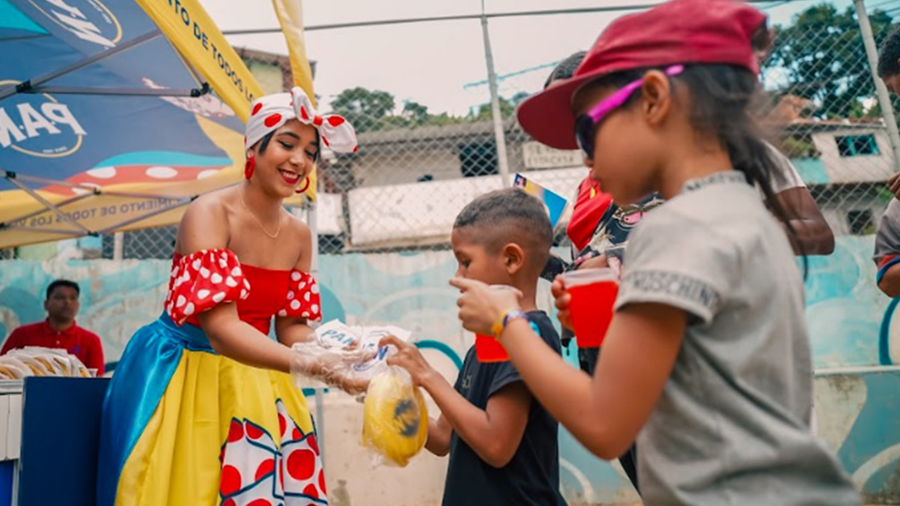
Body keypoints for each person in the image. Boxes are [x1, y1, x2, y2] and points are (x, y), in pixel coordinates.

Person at [452, 1, 861, 505]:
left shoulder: (677, 228)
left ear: (652, 99)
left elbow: (605, 424)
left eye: (587, 130)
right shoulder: (736, 208)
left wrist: (506, 322)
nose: (585, 158)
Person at [96, 87, 366, 506]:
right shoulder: (209, 212)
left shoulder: (298, 234)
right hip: (183, 373)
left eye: (310, 152)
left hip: (257, 373)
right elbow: (221, 329)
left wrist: (343, 351)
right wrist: (317, 369)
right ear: (254, 149)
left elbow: (292, 327)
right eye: (286, 143)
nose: (299, 160)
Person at [380, 188, 567, 506]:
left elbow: (496, 446)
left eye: (465, 262)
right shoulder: (485, 342)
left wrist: (428, 375)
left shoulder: (530, 335)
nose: (457, 276)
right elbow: (441, 439)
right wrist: (384, 391)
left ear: (511, 259)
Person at [1, 279, 105, 374]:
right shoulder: (22, 334)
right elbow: (3, 368)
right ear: (46, 304)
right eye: (60, 297)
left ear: (78, 305)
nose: (67, 302)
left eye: (73, 298)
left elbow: (96, 379)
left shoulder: (91, 340)